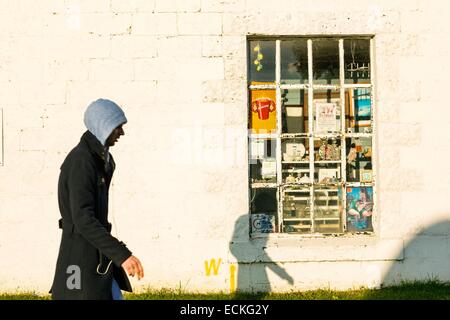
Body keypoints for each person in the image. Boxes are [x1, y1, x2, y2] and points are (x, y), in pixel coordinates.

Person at [50, 99, 144, 300]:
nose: (122, 133)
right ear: (103, 125)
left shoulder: (99, 159)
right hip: (79, 259)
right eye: (117, 127)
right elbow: (83, 219)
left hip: (97, 258)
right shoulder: (82, 162)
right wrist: (122, 255)